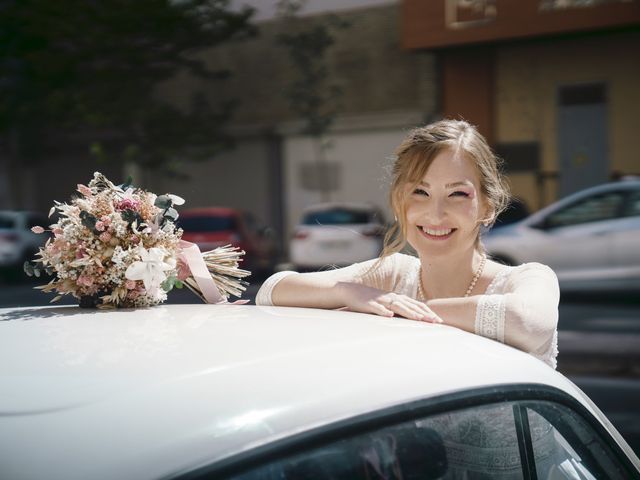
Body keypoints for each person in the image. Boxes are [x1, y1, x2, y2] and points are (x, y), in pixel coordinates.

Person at [257, 119, 559, 369]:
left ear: (487, 206)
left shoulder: (528, 279)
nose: (435, 213)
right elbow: (273, 290)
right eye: (420, 192)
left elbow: (527, 323)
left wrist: (405, 313)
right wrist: (348, 291)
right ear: (400, 200)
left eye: (457, 194)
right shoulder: (392, 276)